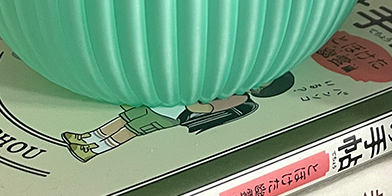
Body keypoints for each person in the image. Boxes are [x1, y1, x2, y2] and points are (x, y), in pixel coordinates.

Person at [63, 73, 295, 162]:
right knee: (125, 118)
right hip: (169, 98)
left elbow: (207, 109)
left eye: (264, 82)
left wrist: (190, 96)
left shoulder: (240, 98)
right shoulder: (232, 78)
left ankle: (93, 150)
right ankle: (87, 137)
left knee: (132, 129)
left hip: (176, 111)